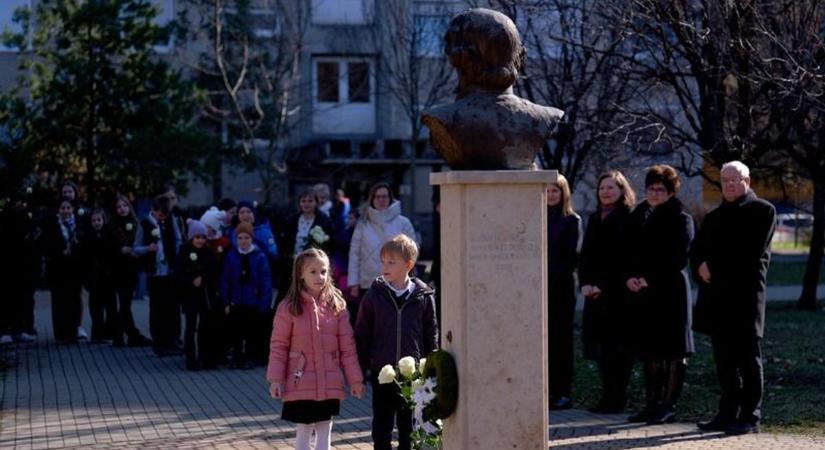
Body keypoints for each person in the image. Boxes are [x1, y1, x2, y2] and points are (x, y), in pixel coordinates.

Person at [691, 161, 776, 436]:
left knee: (748, 360)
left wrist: (711, 266)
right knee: (724, 361)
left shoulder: (763, 211)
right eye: (724, 180)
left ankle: (750, 416)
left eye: (734, 179)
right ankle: (726, 413)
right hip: (717, 300)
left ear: (747, 181)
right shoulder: (715, 216)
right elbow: (697, 250)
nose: (728, 184)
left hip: (745, 299)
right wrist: (700, 265)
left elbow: (748, 253)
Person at [267, 248, 364, 450]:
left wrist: (355, 379)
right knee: (304, 427)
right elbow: (279, 347)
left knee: (325, 426)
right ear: (300, 274)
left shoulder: (336, 305)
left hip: (329, 379)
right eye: (313, 271)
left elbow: (347, 348)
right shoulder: (289, 307)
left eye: (323, 271)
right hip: (301, 379)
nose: (319, 276)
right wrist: (276, 379)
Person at [623, 165, 695, 424]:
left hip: (670, 292)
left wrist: (648, 278)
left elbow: (677, 256)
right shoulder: (638, 215)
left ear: (670, 191)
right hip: (643, 292)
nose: (654, 193)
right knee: (650, 350)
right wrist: (629, 276)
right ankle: (651, 404)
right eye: (651, 188)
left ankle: (668, 406)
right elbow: (627, 251)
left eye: (660, 189)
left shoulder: (681, 217)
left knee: (674, 351)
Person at [355, 234, 438, 450]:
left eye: (391, 262)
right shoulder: (375, 295)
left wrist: (430, 368)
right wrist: (360, 371)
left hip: (412, 376)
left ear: (408, 265)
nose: (385, 266)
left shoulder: (423, 295)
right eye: (383, 261)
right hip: (382, 372)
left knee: (408, 428)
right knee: (381, 427)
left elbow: (431, 333)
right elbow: (362, 333)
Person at [579, 170, 636, 413]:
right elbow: (586, 256)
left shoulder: (629, 218)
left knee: (618, 350)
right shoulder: (593, 219)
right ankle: (607, 396)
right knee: (601, 350)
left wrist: (602, 285)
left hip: (617, 295)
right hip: (594, 295)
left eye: (611, 187)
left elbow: (623, 259)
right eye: (602, 188)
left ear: (622, 190)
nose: (605, 192)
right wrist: (586, 283)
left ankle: (617, 398)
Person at [546, 174, 581, 410]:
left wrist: (552, 279)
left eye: (555, 191)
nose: (551, 196)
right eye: (547, 191)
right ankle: (546, 390)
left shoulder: (572, 220)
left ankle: (563, 392)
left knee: (561, 342)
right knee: (544, 342)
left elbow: (571, 257)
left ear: (563, 193)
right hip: (540, 289)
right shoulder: (536, 217)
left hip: (561, 288)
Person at [347, 182, 416, 300]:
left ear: (390, 198)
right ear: (372, 199)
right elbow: (354, 254)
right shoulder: (363, 224)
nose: (381, 200)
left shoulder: (403, 223)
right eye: (377, 197)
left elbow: (412, 253)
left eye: (384, 196)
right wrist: (354, 283)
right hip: (368, 283)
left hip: (397, 282)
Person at [134, 195, 182, 356]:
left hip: (170, 270)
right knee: (157, 308)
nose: (163, 218)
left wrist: (175, 254)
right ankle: (159, 342)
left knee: (172, 307)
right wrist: (148, 248)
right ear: (153, 211)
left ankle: (173, 339)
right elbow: (136, 247)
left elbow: (177, 239)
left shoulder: (170, 220)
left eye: (165, 216)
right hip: (154, 273)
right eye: (160, 215)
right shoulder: (145, 224)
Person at [220, 222, 272, 369]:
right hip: (236, 300)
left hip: (252, 300)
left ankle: (250, 357)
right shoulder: (231, 257)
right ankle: (237, 356)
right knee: (236, 330)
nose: (243, 241)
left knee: (251, 331)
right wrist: (226, 301)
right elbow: (225, 280)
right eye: (240, 238)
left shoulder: (259, 257)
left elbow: (265, 281)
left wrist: (264, 303)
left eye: (246, 238)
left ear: (252, 239)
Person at [176, 219, 220, 371]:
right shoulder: (184, 251)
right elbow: (179, 273)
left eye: (203, 237)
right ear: (191, 238)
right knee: (190, 326)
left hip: (205, 296)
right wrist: (190, 280)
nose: (200, 240)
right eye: (197, 237)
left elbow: (213, 271)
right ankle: (190, 359)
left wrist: (204, 278)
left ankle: (205, 357)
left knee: (205, 327)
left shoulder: (207, 253)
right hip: (190, 296)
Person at [110, 195, 151, 347]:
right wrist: (122, 250)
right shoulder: (113, 226)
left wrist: (136, 251)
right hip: (118, 268)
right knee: (125, 302)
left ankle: (130, 334)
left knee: (126, 303)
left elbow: (140, 242)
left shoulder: (135, 223)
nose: (122, 209)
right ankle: (122, 335)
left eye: (125, 206)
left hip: (132, 267)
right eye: (119, 207)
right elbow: (110, 248)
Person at [278, 189, 336, 295]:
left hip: (314, 265)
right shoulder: (292, 220)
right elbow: (285, 242)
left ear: (316, 203)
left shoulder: (324, 221)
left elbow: (331, 243)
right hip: (292, 264)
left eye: (310, 201)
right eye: (303, 201)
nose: (306, 204)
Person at [42, 198, 85, 344]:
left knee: (73, 300)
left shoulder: (79, 224)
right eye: (62, 208)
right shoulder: (52, 224)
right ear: (58, 210)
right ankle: (60, 334)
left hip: (74, 268)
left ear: (72, 209)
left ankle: (72, 333)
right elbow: (46, 245)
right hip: (58, 268)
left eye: (68, 208)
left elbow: (85, 243)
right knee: (59, 301)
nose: (65, 211)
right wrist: (60, 252)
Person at [82, 209, 119, 343]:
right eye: (94, 220)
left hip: (108, 276)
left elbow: (114, 253)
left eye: (99, 220)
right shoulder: (87, 236)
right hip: (94, 277)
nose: (97, 223)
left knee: (111, 306)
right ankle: (97, 334)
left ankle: (112, 332)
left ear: (103, 220)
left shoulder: (110, 234)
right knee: (95, 307)